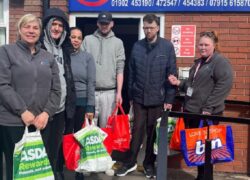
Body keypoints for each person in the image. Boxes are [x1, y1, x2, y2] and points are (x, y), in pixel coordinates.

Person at [0, 14, 61, 180]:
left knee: (37, 170)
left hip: (41, 123)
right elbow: (2, 85)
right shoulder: (6, 52)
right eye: (27, 27)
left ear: (40, 32)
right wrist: (22, 111)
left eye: (35, 28)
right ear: (19, 29)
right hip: (13, 122)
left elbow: (56, 90)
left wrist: (47, 113)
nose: (31, 31)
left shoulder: (48, 57)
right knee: (16, 170)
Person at [116, 14, 177, 178]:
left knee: (153, 133)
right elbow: (132, 72)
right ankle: (130, 163)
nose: (147, 30)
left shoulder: (167, 47)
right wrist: (130, 95)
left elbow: (172, 75)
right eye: (145, 27)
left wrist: (169, 99)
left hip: (158, 99)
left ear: (157, 27)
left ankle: (149, 164)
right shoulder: (137, 46)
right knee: (136, 131)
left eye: (150, 27)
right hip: (139, 98)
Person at [168, 31, 233, 180]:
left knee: (207, 150)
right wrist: (178, 83)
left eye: (206, 45)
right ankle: (200, 176)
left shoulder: (220, 62)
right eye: (200, 44)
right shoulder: (198, 62)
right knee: (198, 149)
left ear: (214, 45)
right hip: (193, 113)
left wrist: (208, 108)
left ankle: (206, 177)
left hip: (207, 114)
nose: (202, 47)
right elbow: (192, 86)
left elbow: (223, 86)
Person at [40, 8, 76, 179]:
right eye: (53, 24)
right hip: (42, 110)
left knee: (55, 147)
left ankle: (54, 172)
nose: (56, 28)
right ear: (46, 26)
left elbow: (67, 78)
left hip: (61, 109)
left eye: (60, 25)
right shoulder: (38, 47)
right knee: (41, 149)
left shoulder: (64, 50)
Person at [82, 11, 125, 128]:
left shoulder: (118, 43)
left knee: (108, 128)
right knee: (89, 128)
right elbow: (82, 66)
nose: (104, 26)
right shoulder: (87, 40)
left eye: (107, 23)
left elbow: (120, 69)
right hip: (91, 92)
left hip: (110, 92)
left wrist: (119, 93)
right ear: (97, 24)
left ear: (112, 24)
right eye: (102, 23)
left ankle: (107, 148)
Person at [70, 27, 96, 180]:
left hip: (81, 103)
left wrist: (90, 107)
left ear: (82, 41)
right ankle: (64, 165)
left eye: (79, 38)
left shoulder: (87, 57)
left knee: (80, 138)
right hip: (65, 103)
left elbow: (91, 83)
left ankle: (79, 170)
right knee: (67, 137)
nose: (76, 40)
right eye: (73, 37)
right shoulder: (63, 56)